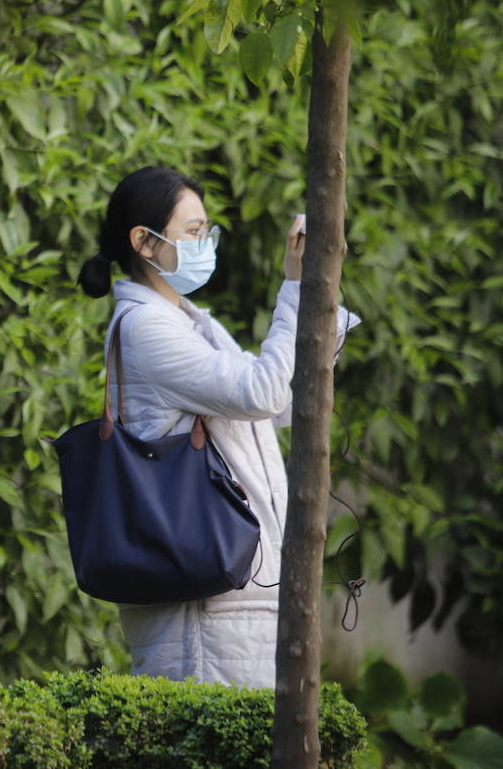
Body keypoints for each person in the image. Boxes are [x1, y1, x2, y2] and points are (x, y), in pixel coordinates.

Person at [75, 164, 355, 689]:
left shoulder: (191, 322)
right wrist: (294, 288)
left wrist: (322, 295)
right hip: (201, 610)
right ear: (144, 241)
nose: (206, 244)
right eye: (194, 231)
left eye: (209, 231)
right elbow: (261, 390)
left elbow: (283, 407)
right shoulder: (145, 329)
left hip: (234, 595)